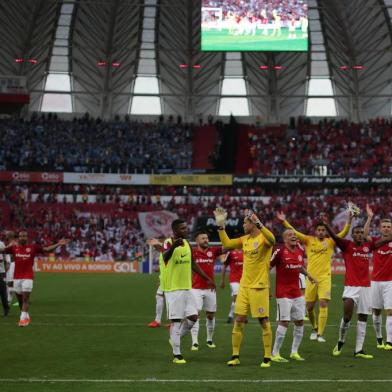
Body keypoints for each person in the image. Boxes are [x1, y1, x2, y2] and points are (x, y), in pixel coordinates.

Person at [277, 210, 352, 342]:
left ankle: (320, 334)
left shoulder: (330, 241)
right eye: (319, 230)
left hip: (325, 278)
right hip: (311, 277)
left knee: (323, 303)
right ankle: (315, 328)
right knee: (310, 307)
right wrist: (284, 221)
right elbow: (294, 231)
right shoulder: (308, 240)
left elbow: (343, 234)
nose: (322, 232)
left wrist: (349, 221)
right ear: (315, 231)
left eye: (323, 230)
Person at [323, 214, 391, 359]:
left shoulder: (369, 246)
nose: (360, 235)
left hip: (366, 287)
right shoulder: (347, 245)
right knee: (347, 317)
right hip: (351, 287)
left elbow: (386, 239)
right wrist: (327, 225)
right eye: (357, 233)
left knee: (363, 319)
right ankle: (340, 342)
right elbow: (335, 237)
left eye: (361, 233)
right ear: (352, 235)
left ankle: (359, 350)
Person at [215, 208, 275, 368]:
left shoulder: (264, 238)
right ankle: (235, 356)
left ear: (252, 223)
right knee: (239, 320)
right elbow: (227, 244)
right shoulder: (244, 240)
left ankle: (267, 357)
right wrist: (221, 226)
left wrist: (259, 223)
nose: (243, 225)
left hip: (259, 287)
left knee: (263, 320)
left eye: (245, 222)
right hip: (244, 287)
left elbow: (273, 239)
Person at [160, 219, 215, 364]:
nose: (186, 230)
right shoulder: (168, 242)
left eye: (186, 227)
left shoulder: (187, 244)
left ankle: (174, 339)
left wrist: (206, 278)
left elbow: (192, 263)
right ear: (175, 230)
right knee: (176, 321)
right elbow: (164, 257)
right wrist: (173, 247)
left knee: (193, 318)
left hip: (187, 288)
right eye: (183, 228)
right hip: (173, 289)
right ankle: (177, 355)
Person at [0, 231, 70, 327]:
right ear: (18, 238)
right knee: (20, 300)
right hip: (17, 277)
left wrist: (58, 244)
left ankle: (23, 319)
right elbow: (2, 250)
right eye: (21, 236)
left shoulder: (33, 247)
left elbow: (47, 250)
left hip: (28, 277)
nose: (22, 238)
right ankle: (25, 315)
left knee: (25, 299)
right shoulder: (13, 248)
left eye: (24, 236)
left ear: (27, 237)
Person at [270, 229, 317, 362]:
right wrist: (266, 286)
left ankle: (294, 352)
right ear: (284, 239)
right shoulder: (279, 251)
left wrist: (309, 275)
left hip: (297, 292)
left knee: (300, 321)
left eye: (294, 235)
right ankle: (275, 353)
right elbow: (267, 266)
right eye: (290, 235)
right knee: (284, 322)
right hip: (283, 292)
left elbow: (300, 266)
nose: (294, 236)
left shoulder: (300, 250)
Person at [364, 205, 392, 350]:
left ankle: (389, 341)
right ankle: (379, 338)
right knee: (376, 312)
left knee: (390, 311)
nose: (386, 228)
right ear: (380, 229)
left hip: (390, 283)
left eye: (389, 226)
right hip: (375, 282)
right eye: (384, 226)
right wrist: (369, 218)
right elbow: (364, 234)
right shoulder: (375, 241)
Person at [190, 231, 222, 350]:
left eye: (207, 238)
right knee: (195, 315)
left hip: (210, 289)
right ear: (197, 241)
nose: (206, 240)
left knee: (210, 315)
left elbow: (227, 247)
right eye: (203, 238)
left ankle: (209, 339)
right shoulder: (192, 252)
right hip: (195, 288)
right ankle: (194, 342)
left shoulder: (213, 251)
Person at [220, 249, 243, 324]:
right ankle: (240, 316)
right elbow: (224, 266)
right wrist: (222, 280)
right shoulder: (230, 253)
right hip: (234, 280)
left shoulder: (246, 251)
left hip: (244, 280)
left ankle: (231, 315)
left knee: (240, 299)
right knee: (237, 297)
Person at [146, 238, 165, 328]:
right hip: (165, 280)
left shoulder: (166, 252)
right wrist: (161, 278)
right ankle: (157, 321)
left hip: (171, 280)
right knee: (159, 296)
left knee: (172, 300)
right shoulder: (162, 254)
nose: (154, 248)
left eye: (155, 246)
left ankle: (175, 322)